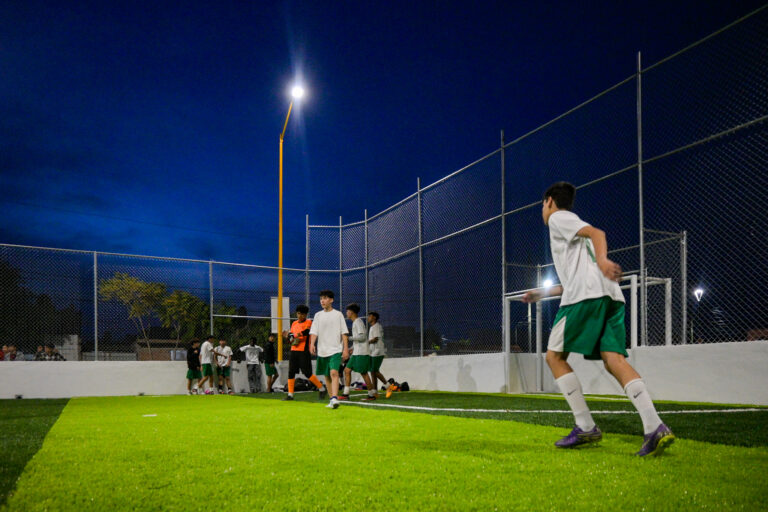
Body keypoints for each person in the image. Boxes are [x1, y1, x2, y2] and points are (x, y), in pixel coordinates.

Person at [523, 182, 674, 456]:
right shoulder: (572, 233)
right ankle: (654, 426)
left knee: (554, 357)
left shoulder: (558, 218)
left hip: (586, 297)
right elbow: (572, 279)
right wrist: (541, 294)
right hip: (610, 296)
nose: (542, 211)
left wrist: (603, 260)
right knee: (614, 359)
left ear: (549, 201)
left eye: (542, 206)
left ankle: (585, 425)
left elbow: (597, 233)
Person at [309, 290, 349, 409]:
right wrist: (312, 344)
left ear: (331, 300)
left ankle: (335, 398)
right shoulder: (318, 315)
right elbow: (314, 332)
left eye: (325, 298)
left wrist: (345, 349)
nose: (322, 300)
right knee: (327, 376)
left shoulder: (338, 314)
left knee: (334, 372)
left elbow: (344, 333)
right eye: (321, 298)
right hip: (322, 350)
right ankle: (332, 399)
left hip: (335, 350)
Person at [281, 305, 326, 401]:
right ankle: (290, 395)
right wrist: (288, 336)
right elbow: (292, 338)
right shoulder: (294, 323)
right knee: (291, 372)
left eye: (302, 314)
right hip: (294, 351)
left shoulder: (309, 322)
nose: (300, 315)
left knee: (307, 373)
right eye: (298, 313)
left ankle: (321, 388)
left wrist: (295, 335)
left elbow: (306, 332)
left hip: (303, 351)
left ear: (305, 315)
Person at [342, 303, 375, 401]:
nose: (346, 313)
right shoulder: (355, 322)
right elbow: (359, 339)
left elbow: (362, 337)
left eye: (347, 311)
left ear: (351, 312)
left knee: (364, 373)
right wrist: (352, 348)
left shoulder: (358, 322)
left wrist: (349, 338)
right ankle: (345, 394)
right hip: (357, 352)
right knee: (347, 370)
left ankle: (371, 395)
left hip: (362, 353)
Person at [368, 312, 392, 399]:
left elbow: (375, 339)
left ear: (374, 318)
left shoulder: (377, 326)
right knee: (373, 371)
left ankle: (388, 386)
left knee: (374, 370)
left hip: (377, 352)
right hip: (373, 352)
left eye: (369, 316)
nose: (368, 318)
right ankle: (375, 392)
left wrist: (366, 342)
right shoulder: (372, 327)